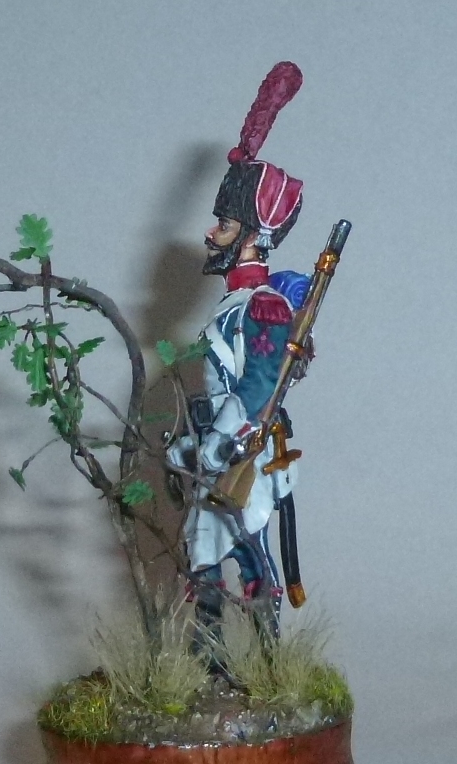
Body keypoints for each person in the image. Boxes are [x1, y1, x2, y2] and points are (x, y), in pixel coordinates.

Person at [167, 62, 312, 654]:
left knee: (247, 553)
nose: (212, 234)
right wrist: (192, 443)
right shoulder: (237, 300)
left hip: (243, 449)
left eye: (225, 225)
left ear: (253, 237)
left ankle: (267, 660)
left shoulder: (266, 305)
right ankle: (209, 661)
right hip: (217, 446)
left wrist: (221, 440)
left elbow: (258, 384)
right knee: (201, 553)